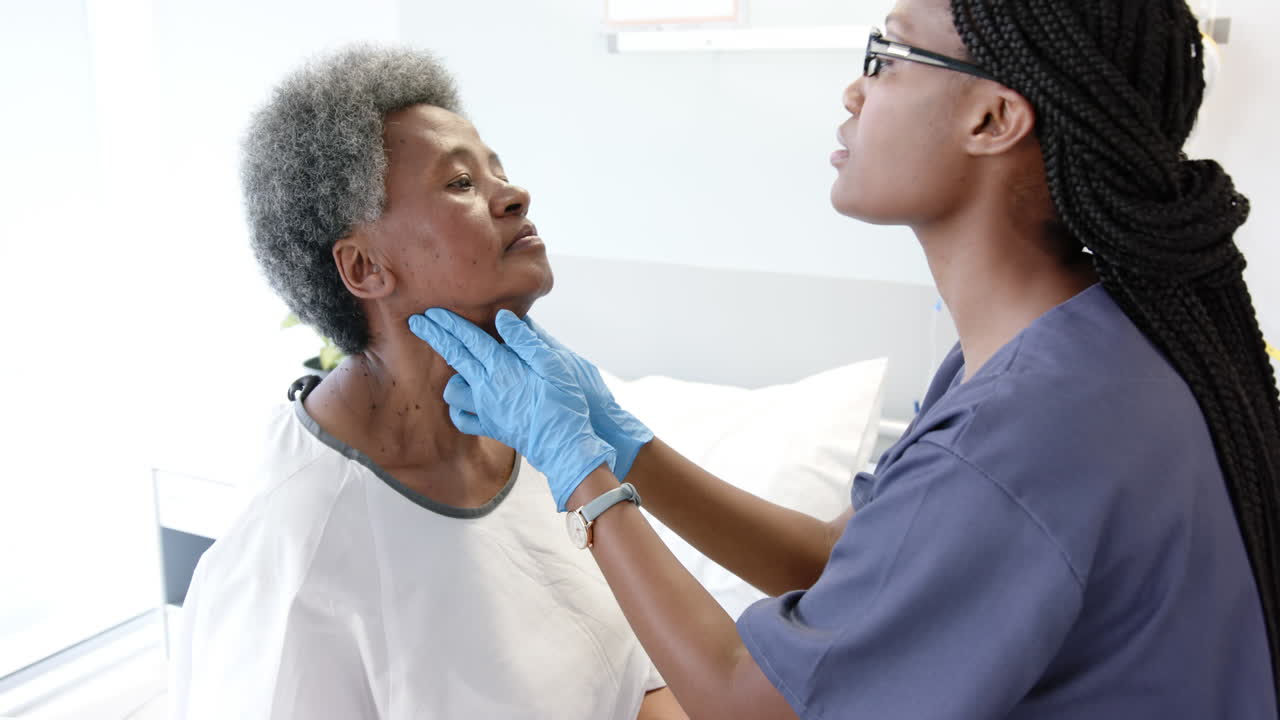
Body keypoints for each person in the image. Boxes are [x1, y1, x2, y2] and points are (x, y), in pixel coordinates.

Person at [407, 0, 1280, 717]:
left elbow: (752, 704)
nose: (855, 93)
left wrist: (584, 475)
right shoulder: (1061, 344)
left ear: (992, 117)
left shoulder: (1019, 439)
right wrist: (622, 439)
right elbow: (846, 567)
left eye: (887, 56)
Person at [169, 46, 684, 720]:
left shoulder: (543, 442)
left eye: (496, 170)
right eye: (461, 183)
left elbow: (640, 682)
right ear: (364, 268)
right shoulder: (300, 550)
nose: (515, 194)